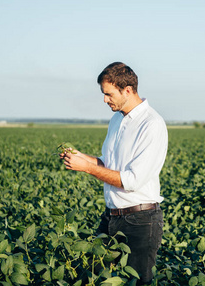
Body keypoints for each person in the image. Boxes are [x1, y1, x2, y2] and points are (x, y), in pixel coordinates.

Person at [60, 62, 168, 284]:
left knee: (137, 282)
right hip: (111, 216)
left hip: (140, 221)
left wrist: (88, 168)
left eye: (108, 94)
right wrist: (81, 157)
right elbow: (108, 163)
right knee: (92, 276)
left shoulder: (151, 124)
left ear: (127, 90)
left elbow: (132, 180)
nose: (104, 100)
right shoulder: (117, 119)